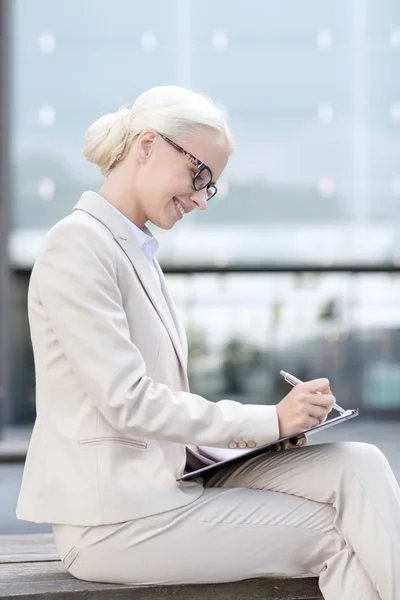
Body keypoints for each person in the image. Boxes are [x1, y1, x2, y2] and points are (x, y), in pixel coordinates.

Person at [17, 86, 400, 600]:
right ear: (147, 146)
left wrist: (270, 436)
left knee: (360, 464)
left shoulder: (136, 251)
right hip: (114, 520)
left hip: (173, 484)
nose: (201, 198)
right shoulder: (77, 245)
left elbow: (162, 418)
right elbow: (127, 401)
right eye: (199, 175)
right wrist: (269, 420)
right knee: (338, 535)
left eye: (210, 187)